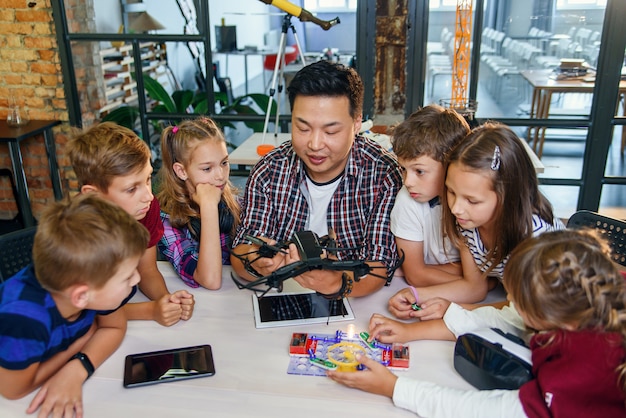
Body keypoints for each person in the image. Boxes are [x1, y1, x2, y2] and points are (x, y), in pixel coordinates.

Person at [328, 229, 626, 417]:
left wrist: (394, 388)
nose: (511, 305)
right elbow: (507, 318)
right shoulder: (595, 293)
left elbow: (490, 409)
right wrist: (440, 317)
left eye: (518, 302)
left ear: (554, 323)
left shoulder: (586, 369)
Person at [231, 60, 403, 298]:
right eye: (302, 128)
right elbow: (241, 252)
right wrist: (257, 262)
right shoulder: (270, 170)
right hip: (281, 299)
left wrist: (336, 284)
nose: (314, 145)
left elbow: (379, 266)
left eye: (331, 131)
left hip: (356, 306)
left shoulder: (382, 175)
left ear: (356, 123)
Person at [389, 122, 563, 320]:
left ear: (508, 195)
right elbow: (473, 287)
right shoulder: (470, 222)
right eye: (451, 192)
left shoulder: (534, 237)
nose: (455, 209)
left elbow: (525, 314)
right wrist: (416, 295)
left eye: (472, 200)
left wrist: (454, 311)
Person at [0, 194, 149, 416]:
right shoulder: (24, 318)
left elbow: (113, 327)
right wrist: (82, 339)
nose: (137, 279)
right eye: (127, 277)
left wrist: (77, 368)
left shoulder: (92, 282)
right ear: (80, 297)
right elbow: (13, 390)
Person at [68, 122, 194, 326]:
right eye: (131, 189)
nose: (149, 196)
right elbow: (85, 311)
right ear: (94, 195)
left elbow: (146, 270)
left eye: (147, 179)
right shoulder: (76, 234)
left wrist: (166, 301)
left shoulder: (144, 208)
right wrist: (150, 310)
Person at [389, 104, 470, 287]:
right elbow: (416, 275)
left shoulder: (473, 200)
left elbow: (489, 271)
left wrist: (476, 279)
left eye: (419, 171)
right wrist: (471, 277)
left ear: (450, 164)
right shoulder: (406, 200)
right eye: (403, 169)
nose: (407, 181)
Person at [157, 117, 240, 289]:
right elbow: (210, 280)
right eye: (207, 168)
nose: (220, 175)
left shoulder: (233, 201)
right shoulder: (166, 220)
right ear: (181, 171)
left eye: (224, 163)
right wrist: (208, 207)